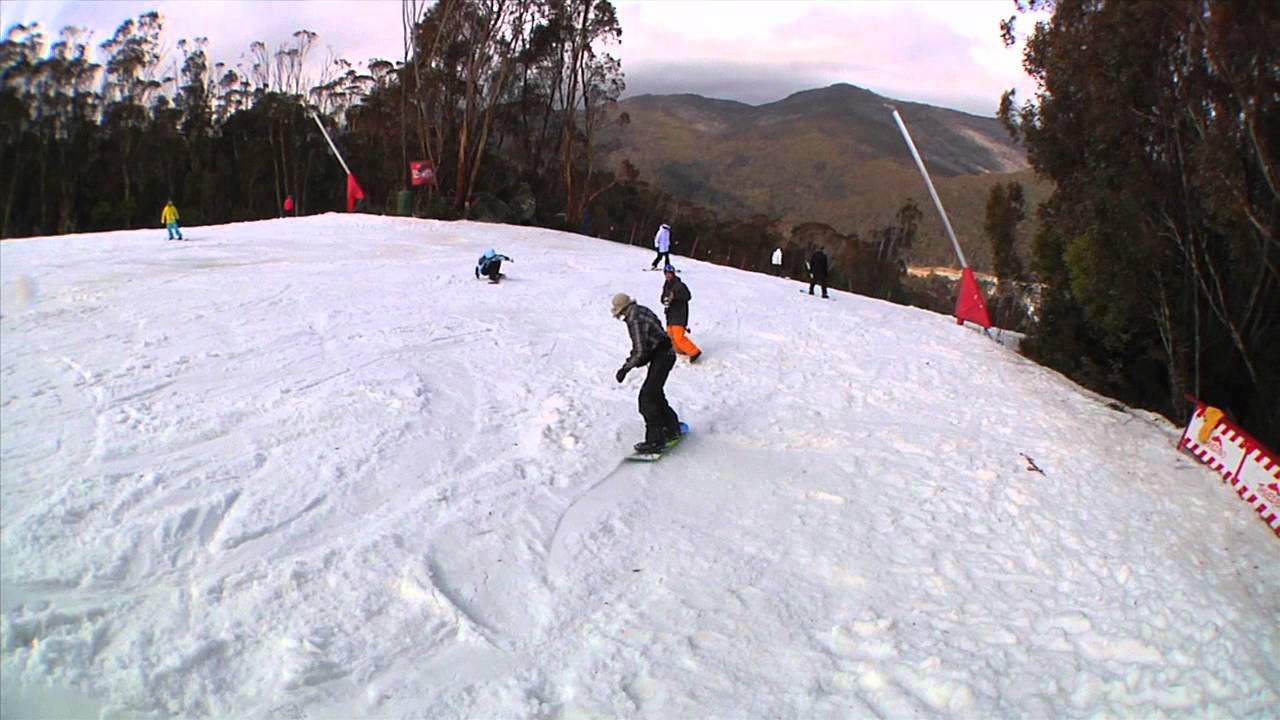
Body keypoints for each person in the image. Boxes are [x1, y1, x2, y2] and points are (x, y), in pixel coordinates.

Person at [612, 292, 682, 454]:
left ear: (623, 310)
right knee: (655, 393)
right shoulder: (641, 310)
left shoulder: (634, 318)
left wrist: (626, 368)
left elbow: (640, 349)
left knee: (647, 398)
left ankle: (655, 441)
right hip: (665, 354)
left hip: (663, 356)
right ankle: (673, 428)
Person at [661, 264, 702, 362]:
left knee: (678, 336)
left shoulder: (680, 285)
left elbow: (688, 296)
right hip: (670, 314)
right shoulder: (666, 285)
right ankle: (680, 350)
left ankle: (694, 352)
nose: (668, 275)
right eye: (666, 273)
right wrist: (665, 300)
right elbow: (663, 298)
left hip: (679, 314)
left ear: (673, 274)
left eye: (669, 273)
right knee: (670, 335)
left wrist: (675, 296)